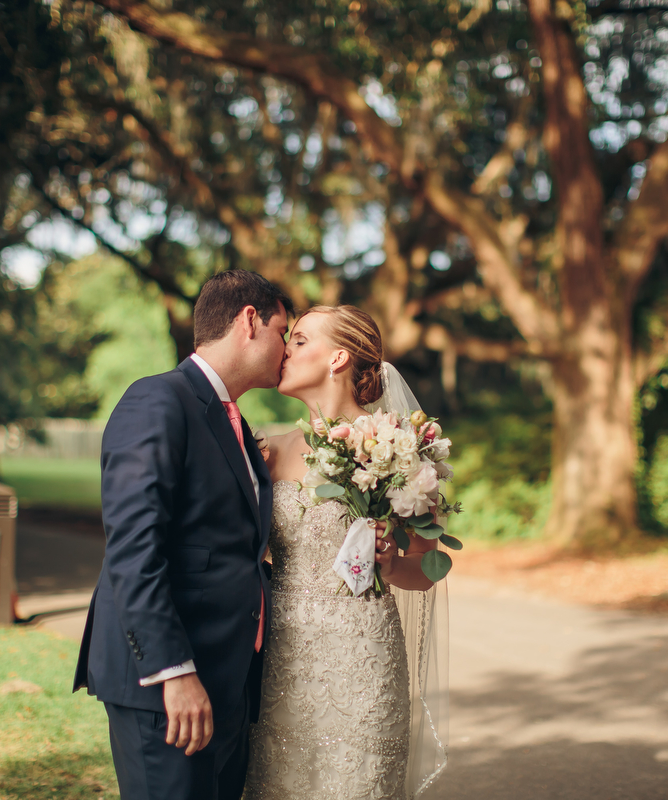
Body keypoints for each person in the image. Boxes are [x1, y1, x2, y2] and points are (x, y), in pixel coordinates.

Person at [73, 270, 293, 800]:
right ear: (249, 321)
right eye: (282, 332)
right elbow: (133, 550)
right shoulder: (158, 401)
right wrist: (174, 672)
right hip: (169, 685)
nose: (286, 348)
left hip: (227, 678)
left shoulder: (233, 421)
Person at [244, 305, 449, 799]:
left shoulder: (400, 448)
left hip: (364, 659)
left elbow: (429, 566)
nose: (284, 350)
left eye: (299, 340)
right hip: (282, 660)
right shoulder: (267, 451)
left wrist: (392, 564)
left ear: (338, 357)